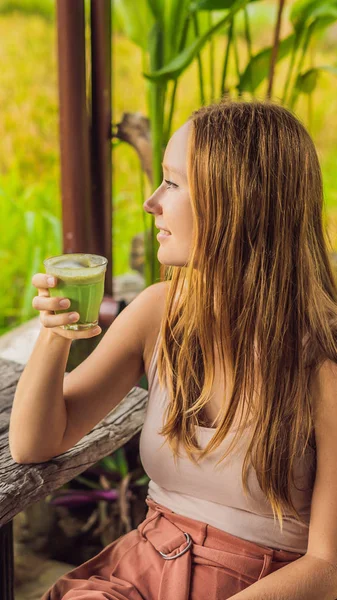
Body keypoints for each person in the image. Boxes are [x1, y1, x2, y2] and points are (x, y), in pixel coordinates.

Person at [9, 100, 337, 600]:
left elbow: (326, 568)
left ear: (238, 199)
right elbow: (34, 443)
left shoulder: (321, 363)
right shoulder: (161, 312)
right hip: (139, 572)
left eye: (173, 182)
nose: (151, 201)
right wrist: (54, 334)